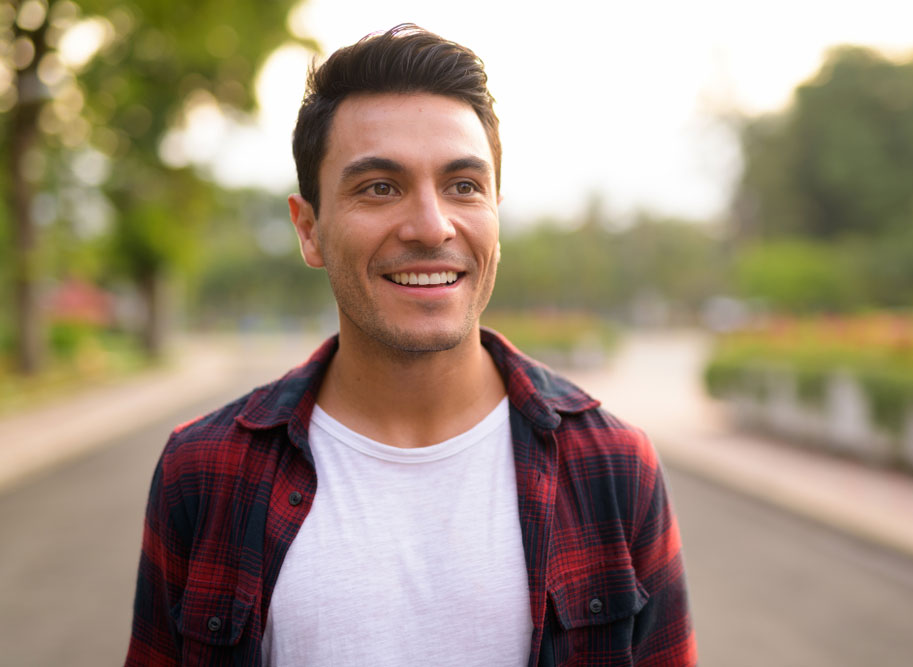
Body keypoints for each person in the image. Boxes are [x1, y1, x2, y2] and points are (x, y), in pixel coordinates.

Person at [125, 24, 696, 666]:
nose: (431, 226)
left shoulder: (615, 467)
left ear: (496, 217)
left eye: (463, 186)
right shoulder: (203, 472)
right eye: (379, 187)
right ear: (309, 230)